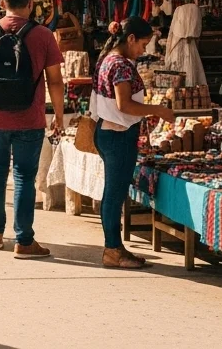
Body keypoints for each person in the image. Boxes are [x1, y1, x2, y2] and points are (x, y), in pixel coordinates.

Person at [0, 0, 65, 258]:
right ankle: (24, 240)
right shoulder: (44, 35)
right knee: (24, 177)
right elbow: (55, 81)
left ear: (2, 3)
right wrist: (58, 114)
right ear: (31, 3)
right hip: (30, 119)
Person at [90, 17, 174, 269]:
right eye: (143, 44)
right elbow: (124, 104)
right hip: (117, 134)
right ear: (130, 39)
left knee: (113, 193)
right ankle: (112, 249)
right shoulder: (121, 65)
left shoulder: (109, 59)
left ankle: (114, 246)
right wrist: (157, 110)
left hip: (109, 132)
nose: (144, 50)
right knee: (114, 194)